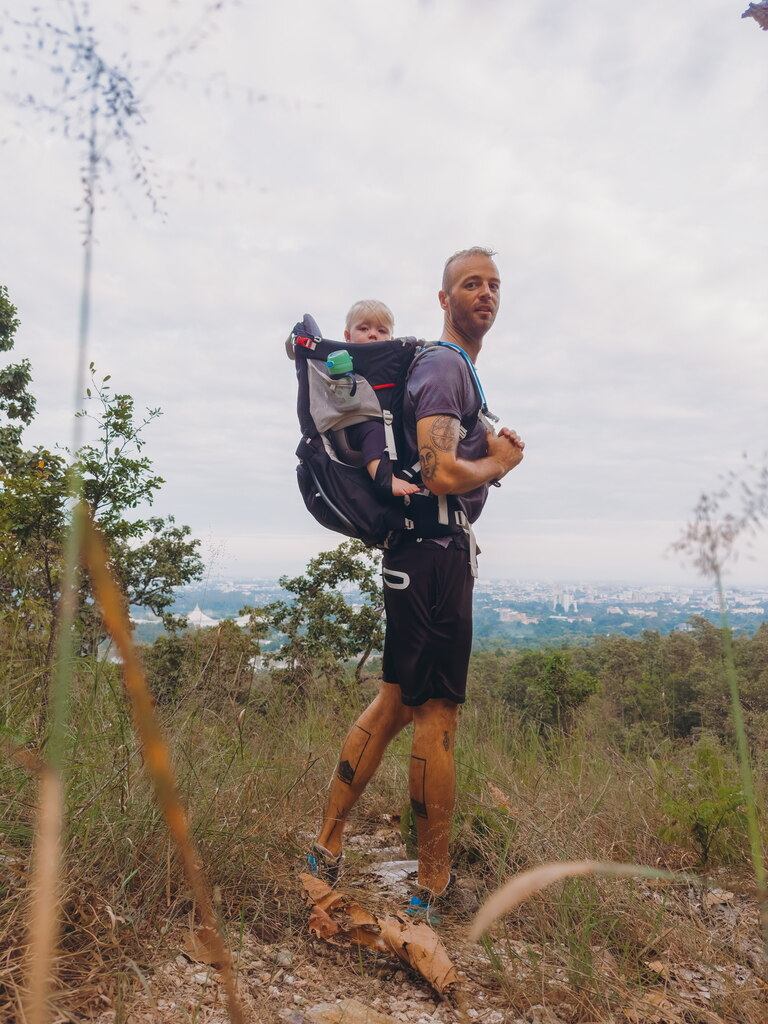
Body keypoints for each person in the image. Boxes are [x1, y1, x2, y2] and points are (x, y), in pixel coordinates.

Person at [310, 248, 524, 919]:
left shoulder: (455, 373)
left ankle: (326, 846)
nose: (484, 293)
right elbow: (437, 472)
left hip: (420, 553)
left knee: (396, 704)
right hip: (433, 555)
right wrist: (499, 461)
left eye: (493, 284)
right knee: (436, 713)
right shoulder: (443, 368)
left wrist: (487, 456)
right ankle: (431, 886)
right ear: (444, 298)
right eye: (470, 283)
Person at [342, 299, 420, 498]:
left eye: (382, 331)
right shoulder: (344, 359)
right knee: (373, 430)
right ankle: (384, 480)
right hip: (355, 427)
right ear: (347, 336)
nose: (373, 334)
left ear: (392, 338)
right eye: (364, 328)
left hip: (391, 430)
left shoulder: (395, 365)